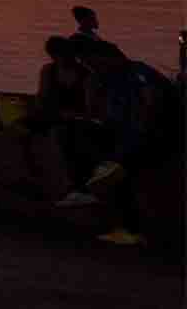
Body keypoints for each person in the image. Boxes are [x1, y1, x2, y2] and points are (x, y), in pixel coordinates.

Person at [65, 37, 181, 245]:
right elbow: (100, 114)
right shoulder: (106, 79)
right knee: (77, 133)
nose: (90, 67)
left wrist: (132, 138)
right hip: (125, 133)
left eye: (91, 62)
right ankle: (88, 185)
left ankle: (130, 228)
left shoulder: (137, 72)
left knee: (119, 172)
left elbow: (151, 108)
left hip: (154, 135)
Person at [28, 36, 96, 200]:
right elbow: (41, 98)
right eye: (56, 55)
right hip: (51, 115)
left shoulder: (86, 75)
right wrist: (42, 110)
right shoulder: (48, 71)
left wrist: (71, 115)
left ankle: (70, 185)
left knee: (60, 135)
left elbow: (90, 108)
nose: (61, 58)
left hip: (77, 119)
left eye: (64, 54)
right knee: (18, 130)